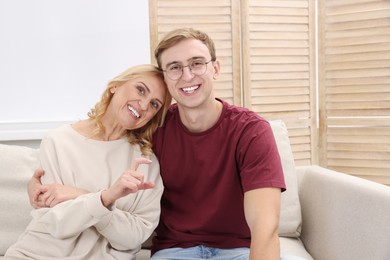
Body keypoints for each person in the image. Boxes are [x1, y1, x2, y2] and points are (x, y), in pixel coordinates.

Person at [27, 28, 288, 259]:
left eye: (197, 63)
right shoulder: (152, 130)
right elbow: (98, 151)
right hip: (174, 251)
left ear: (215, 69)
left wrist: (79, 195)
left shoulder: (251, 131)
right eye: (175, 67)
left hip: (238, 250)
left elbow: (265, 226)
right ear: (167, 78)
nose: (187, 76)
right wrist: (35, 184)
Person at [5, 64, 172, 260]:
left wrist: (86, 196)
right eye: (140, 89)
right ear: (115, 86)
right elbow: (58, 224)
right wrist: (104, 199)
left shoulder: (145, 161)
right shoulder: (58, 141)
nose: (143, 105)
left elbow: (132, 237)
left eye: (154, 104)